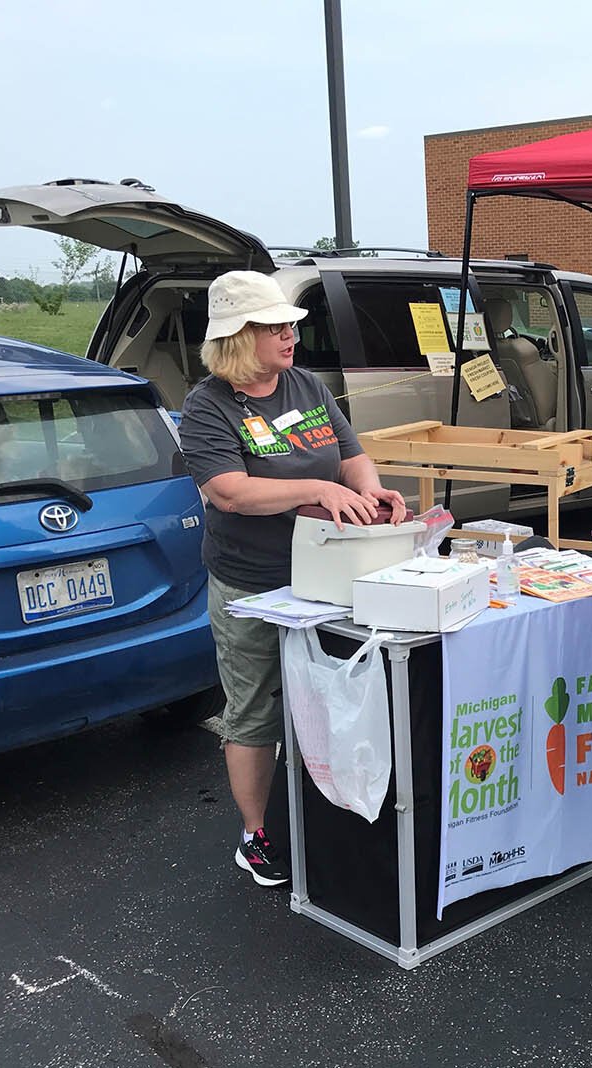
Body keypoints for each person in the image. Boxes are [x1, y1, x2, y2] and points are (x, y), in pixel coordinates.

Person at [178, 270, 406, 888]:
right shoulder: (209, 406)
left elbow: (351, 453)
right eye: (275, 327)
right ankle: (256, 836)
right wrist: (318, 487)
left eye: (289, 325)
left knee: (330, 694)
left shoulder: (304, 384)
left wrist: (370, 489)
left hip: (328, 575)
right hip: (253, 584)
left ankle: (326, 813)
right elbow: (229, 492)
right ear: (236, 337)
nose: (290, 336)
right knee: (254, 709)